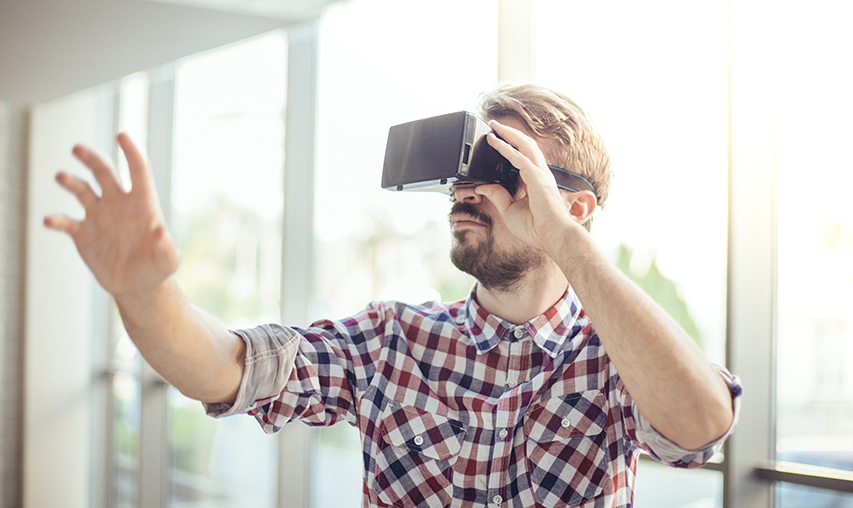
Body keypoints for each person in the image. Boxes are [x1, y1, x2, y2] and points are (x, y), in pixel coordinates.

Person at [45, 84, 740, 507]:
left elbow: (701, 425)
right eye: (467, 165)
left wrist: (563, 239)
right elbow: (227, 367)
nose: (469, 188)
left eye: (503, 165)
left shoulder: (615, 357)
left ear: (576, 207)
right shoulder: (391, 340)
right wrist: (144, 292)